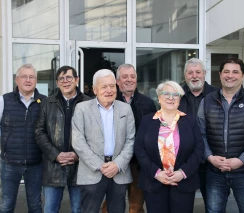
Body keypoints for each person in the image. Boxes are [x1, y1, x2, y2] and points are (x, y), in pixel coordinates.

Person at [197, 58, 244, 213]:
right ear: (220, 75)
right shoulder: (207, 101)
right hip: (215, 172)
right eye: (226, 71)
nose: (230, 75)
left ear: (243, 76)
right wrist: (209, 157)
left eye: (235, 72)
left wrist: (241, 161)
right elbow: (200, 134)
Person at [134, 80, 204, 213]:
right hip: (154, 183)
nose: (170, 98)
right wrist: (157, 173)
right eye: (166, 94)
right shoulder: (147, 120)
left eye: (175, 94)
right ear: (159, 97)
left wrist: (182, 173)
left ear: (180, 99)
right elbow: (139, 149)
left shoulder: (190, 120)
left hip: (183, 182)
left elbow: (199, 149)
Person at [72, 69, 135, 213]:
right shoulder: (82, 108)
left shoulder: (125, 109)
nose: (109, 90)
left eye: (112, 86)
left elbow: (131, 140)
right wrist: (100, 165)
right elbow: (78, 142)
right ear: (95, 89)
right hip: (91, 172)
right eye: (104, 87)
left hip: (119, 172)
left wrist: (117, 164)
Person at [0, 64, 46, 213]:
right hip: (10, 163)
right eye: (24, 77)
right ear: (17, 80)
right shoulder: (4, 100)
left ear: (36, 80)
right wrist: (7, 143)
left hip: (36, 163)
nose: (28, 80)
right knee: (7, 205)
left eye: (31, 77)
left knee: (35, 205)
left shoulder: (45, 102)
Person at [101, 64, 157, 213]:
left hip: (138, 163)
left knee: (136, 205)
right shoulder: (108, 101)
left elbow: (153, 133)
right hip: (115, 161)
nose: (129, 80)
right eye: (125, 77)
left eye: (132, 77)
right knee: (110, 204)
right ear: (117, 81)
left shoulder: (148, 103)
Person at [35, 66, 90, 213]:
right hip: (53, 167)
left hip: (80, 167)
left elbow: (94, 135)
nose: (65, 82)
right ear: (57, 83)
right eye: (61, 79)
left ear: (76, 80)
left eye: (69, 78)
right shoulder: (47, 103)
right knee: (50, 209)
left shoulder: (89, 103)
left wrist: (78, 155)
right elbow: (39, 132)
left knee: (79, 209)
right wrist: (56, 155)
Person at [178, 58, 218, 209]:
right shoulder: (176, 95)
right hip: (184, 159)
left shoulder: (217, 95)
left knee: (213, 205)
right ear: (185, 75)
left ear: (204, 74)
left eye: (198, 72)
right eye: (190, 73)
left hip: (210, 160)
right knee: (183, 204)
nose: (194, 76)